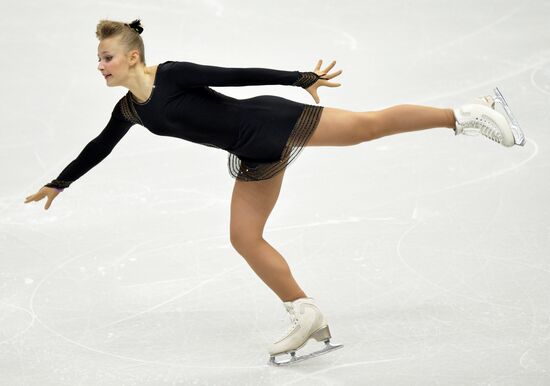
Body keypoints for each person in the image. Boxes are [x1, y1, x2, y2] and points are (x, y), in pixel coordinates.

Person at [23, 19, 525, 366]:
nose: (100, 66)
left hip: (271, 121)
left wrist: (298, 78)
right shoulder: (130, 110)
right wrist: (58, 183)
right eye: (99, 59)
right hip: (254, 153)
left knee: (369, 127)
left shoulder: (171, 76)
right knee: (244, 237)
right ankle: (307, 313)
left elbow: (236, 76)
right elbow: (99, 146)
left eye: (106, 57)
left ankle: (468, 115)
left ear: (132, 56)